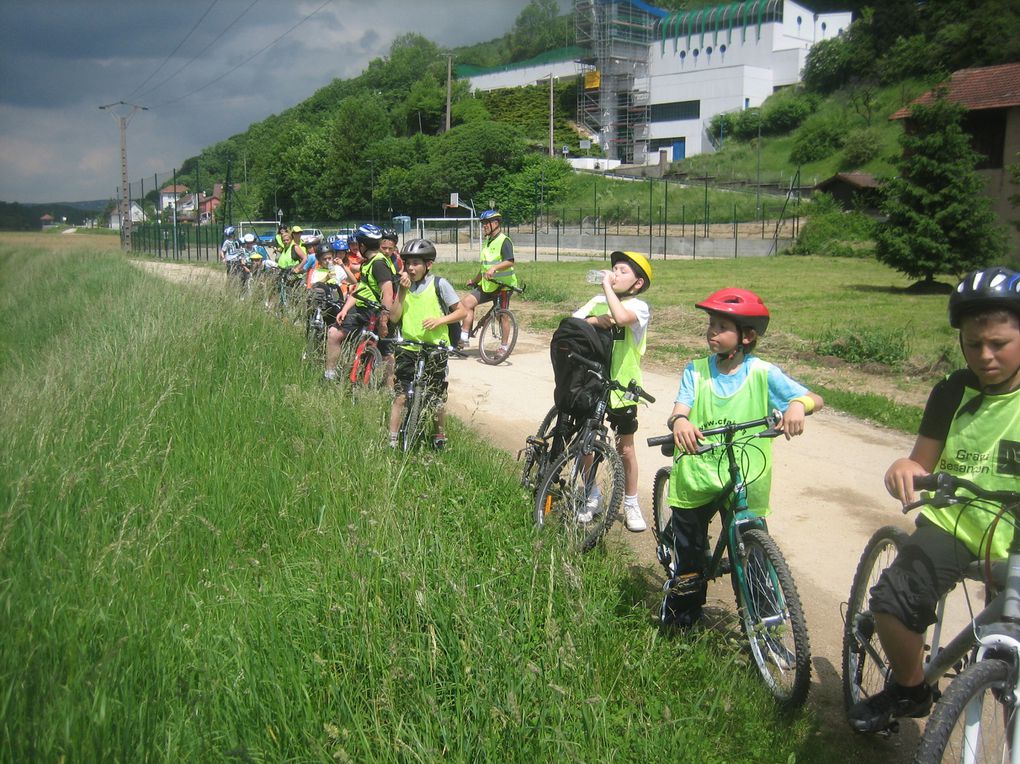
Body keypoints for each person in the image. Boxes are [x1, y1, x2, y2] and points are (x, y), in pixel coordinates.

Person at [847, 266, 1020, 733]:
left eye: (999, 344)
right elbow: (919, 463)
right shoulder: (953, 391)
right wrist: (905, 469)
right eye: (972, 343)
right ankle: (909, 688)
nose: (984, 355)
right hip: (957, 524)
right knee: (894, 600)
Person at [659, 288, 824, 628]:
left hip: (745, 475)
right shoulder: (696, 370)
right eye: (710, 325)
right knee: (689, 555)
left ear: (747, 336)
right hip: (698, 472)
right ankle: (682, 618)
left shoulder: (762, 373)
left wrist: (797, 405)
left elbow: (813, 398)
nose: (711, 332)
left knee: (752, 554)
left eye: (721, 327)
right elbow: (679, 411)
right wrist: (681, 422)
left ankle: (765, 626)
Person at [573, 251, 655, 532]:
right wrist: (596, 321)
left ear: (637, 283)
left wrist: (607, 287)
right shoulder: (596, 303)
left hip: (623, 387)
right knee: (586, 439)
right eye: (613, 270)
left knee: (625, 446)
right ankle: (591, 493)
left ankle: (631, 502)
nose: (614, 274)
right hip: (593, 382)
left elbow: (620, 317)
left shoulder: (639, 306)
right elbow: (572, 325)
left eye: (622, 271)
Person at [387, 239, 466, 450]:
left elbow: (462, 311)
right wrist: (402, 292)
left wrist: (440, 320)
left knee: (436, 396)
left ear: (428, 264)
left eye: (416, 263)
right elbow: (394, 318)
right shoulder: (403, 287)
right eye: (407, 264)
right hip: (408, 347)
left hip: (435, 348)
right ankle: (392, 440)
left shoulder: (439, 284)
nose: (410, 268)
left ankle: (439, 434)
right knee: (401, 395)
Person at [324, 224, 395, 382]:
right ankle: (330, 376)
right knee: (334, 334)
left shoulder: (378, 264)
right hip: (363, 309)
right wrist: (345, 309)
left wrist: (384, 320)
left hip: (379, 312)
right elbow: (360, 289)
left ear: (362, 245)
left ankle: (390, 392)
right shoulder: (368, 262)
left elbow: (388, 292)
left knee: (386, 354)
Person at [459, 209, 518, 348]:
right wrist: (475, 280)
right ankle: (463, 337)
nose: (484, 226)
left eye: (486, 223)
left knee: (502, 315)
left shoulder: (504, 241)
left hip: (503, 286)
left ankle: (503, 347)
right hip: (487, 285)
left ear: (496, 223)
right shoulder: (488, 242)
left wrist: (495, 268)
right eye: (483, 223)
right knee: (466, 303)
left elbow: (510, 261)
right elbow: (484, 268)